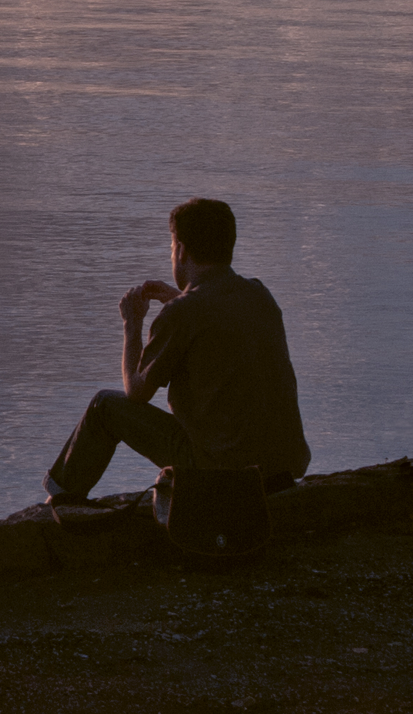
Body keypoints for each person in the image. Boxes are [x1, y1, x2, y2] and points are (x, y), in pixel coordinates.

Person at [44, 197, 310, 508]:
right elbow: (216, 320)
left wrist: (132, 325)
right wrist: (178, 299)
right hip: (285, 466)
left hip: (224, 470)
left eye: (172, 247)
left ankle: (60, 497)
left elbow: (137, 392)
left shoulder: (182, 313)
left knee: (105, 406)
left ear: (181, 250)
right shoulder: (259, 295)